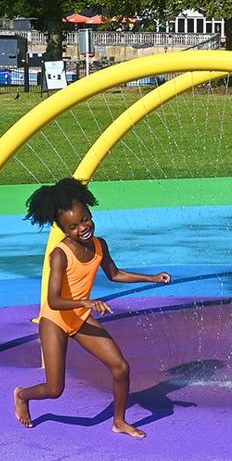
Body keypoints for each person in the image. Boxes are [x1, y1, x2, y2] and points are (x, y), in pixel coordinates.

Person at [13, 178, 171, 438]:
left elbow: (115, 273)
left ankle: (119, 422)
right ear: (63, 229)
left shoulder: (99, 245)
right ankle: (23, 395)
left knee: (120, 367)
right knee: (55, 390)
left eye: (85, 219)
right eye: (73, 226)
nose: (82, 228)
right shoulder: (60, 254)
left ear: (90, 212)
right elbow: (53, 300)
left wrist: (152, 278)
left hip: (80, 318)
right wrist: (86, 302)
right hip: (55, 320)